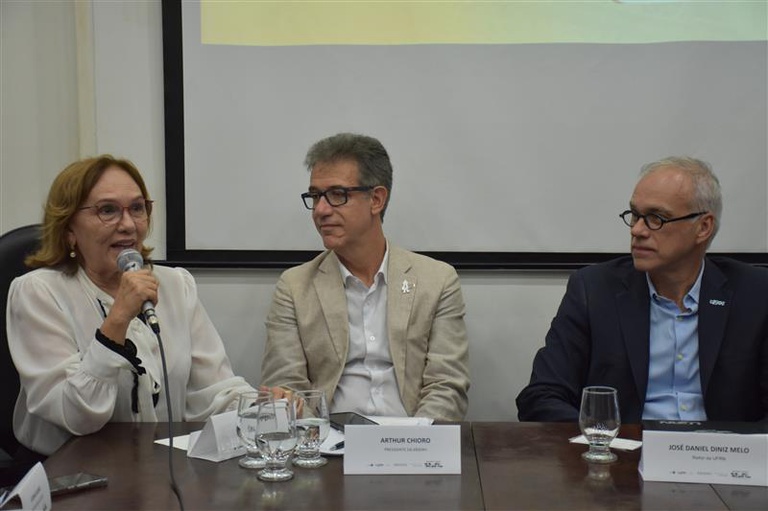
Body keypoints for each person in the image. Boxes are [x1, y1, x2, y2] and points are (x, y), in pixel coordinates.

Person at [7, 155, 254, 455]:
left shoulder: (176, 284)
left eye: (137, 208)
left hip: (163, 465)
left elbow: (213, 391)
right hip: (73, 470)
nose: (128, 225)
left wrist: (266, 409)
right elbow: (76, 415)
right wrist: (119, 317)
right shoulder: (39, 292)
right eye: (107, 210)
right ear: (69, 229)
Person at [516, 157, 768, 424]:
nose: (637, 230)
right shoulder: (594, 289)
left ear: (703, 227)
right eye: (635, 215)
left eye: (656, 218)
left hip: (720, 448)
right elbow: (541, 397)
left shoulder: (756, 294)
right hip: (625, 447)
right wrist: (604, 436)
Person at [260, 133, 469, 421]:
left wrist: (413, 440)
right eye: (315, 196)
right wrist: (307, 423)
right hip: (329, 442)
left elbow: (447, 387)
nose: (321, 210)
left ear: (376, 199)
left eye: (337, 194)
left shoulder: (437, 281)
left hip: (413, 438)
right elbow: (286, 388)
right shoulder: (295, 288)